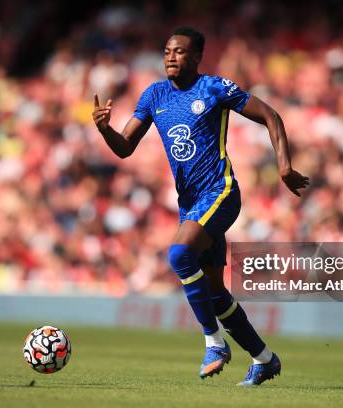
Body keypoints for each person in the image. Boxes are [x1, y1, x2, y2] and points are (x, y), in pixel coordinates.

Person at [92, 26, 309, 386]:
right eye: (166, 52)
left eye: (179, 52)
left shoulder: (213, 89)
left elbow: (271, 115)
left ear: (196, 58)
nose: (170, 57)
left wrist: (283, 165)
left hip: (220, 192)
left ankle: (214, 343)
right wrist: (104, 130)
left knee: (179, 256)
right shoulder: (154, 95)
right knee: (214, 292)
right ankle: (264, 359)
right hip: (191, 203)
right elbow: (125, 147)